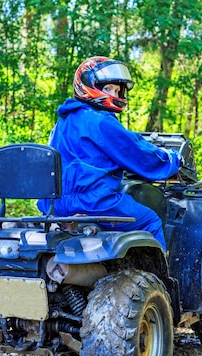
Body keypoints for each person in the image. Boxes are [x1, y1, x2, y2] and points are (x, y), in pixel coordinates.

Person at [37, 56, 182, 249]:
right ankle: (157, 278)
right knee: (151, 221)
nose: (113, 94)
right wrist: (173, 159)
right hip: (93, 201)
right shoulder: (101, 121)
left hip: (54, 203)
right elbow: (139, 154)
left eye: (116, 89)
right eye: (108, 89)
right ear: (89, 86)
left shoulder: (64, 120)